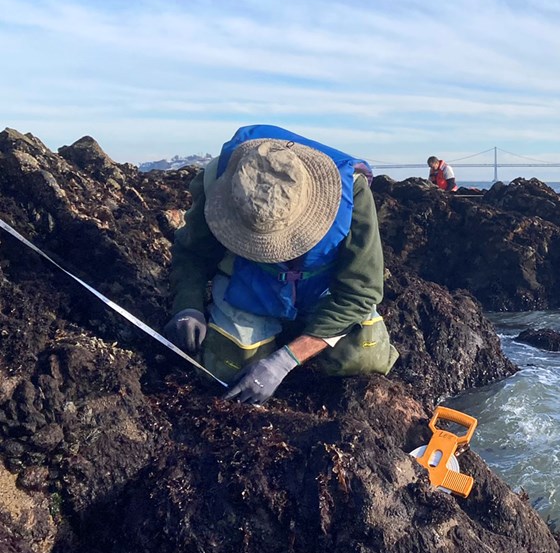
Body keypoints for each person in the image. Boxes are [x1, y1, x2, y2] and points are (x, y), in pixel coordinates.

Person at [164, 125, 399, 403]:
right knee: (226, 367)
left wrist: (285, 360)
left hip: (323, 291)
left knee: (363, 357)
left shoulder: (352, 195)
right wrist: (187, 305)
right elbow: (192, 253)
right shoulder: (220, 181)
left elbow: (361, 291)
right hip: (250, 285)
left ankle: (302, 335)